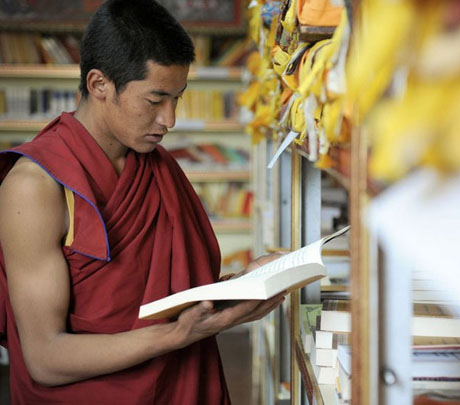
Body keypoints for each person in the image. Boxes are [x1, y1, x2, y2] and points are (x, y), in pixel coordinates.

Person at [0, 0, 283, 403]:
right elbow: (46, 357)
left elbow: (168, 304)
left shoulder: (157, 167)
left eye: (177, 99)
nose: (170, 119)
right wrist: (180, 333)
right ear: (99, 84)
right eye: (155, 100)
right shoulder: (36, 186)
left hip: (175, 380)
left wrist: (244, 288)